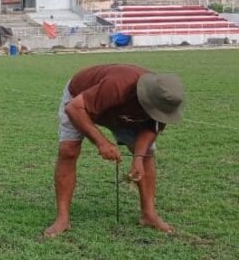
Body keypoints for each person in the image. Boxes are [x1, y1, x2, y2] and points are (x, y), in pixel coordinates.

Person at [44, 64, 184, 237]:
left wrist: (138, 158)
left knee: (146, 155)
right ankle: (62, 219)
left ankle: (149, 215)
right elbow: (74, 108)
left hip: (123, 113)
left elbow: (150, 129)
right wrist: (102, 142)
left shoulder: (165, 101)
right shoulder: (119, 85)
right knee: (68, 150)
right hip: (80, 102)